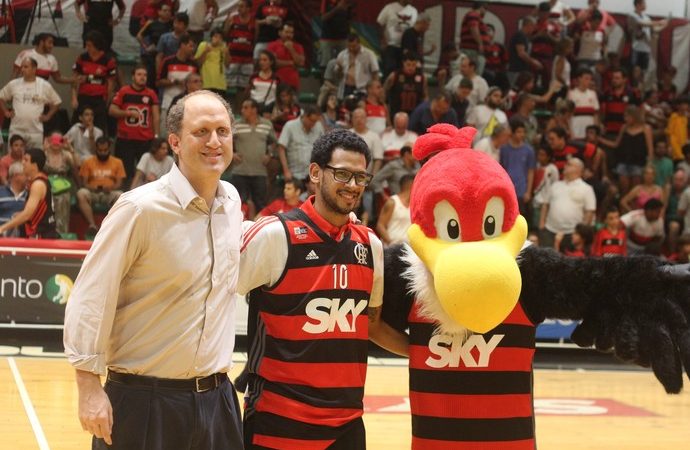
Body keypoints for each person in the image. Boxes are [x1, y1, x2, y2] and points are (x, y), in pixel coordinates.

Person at [63, 91, 243, 449]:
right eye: (201, 131)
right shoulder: (139, 209)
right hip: (143, 402)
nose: (214, 141)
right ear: (174, 142)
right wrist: (88, 387)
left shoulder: (232, 202)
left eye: (222, 131)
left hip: (218, 399)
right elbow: (90, 297)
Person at [239, 128, 408, 449]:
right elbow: (214, 296)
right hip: (280, 419)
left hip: (347, 424)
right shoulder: (275, 234)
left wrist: (427, 354)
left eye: (361, 177)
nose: (353, 186)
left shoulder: (369, 243)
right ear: (315, 173)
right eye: (343, 174)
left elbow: (370, 324)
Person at [109, 65, 161, 178]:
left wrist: (156, 136)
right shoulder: (124, 91)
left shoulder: (151, 93)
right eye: (139, 74)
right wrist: (127, 113)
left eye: (145, 75)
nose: (142, 77)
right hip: (125, 139)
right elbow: (112, 110)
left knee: (144, 172)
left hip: (145, 139)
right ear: (133, 77)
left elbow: (156, 116)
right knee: (125, 172)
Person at [0, 58, 61, 150]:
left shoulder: (44, 85)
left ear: (34, 69)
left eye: (26, 67)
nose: (22, 69)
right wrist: (5, 112)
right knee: (13, 160)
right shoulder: (13, 84)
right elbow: (1, 97)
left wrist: (48, 116)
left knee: (34, 161)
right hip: (16, 130)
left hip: (35, 131)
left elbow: (57, 102)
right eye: (22, 67)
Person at [0, 148, 58, 239]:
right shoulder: (41, 180)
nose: (23, 163)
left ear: (34, 165)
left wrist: (2, 228)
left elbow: (27, 214)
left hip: (40, 235)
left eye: (26, 160)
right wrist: (20, 214)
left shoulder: (37, 184)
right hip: (42, 232)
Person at [231, 98, 277, 213]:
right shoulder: (236, 125)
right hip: (240, 171)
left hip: (259, 171)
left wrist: (269, 155)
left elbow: (274, 142)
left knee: (261, 204)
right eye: (242, 108)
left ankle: (259, 229)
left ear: (254, 110)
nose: (242, 110)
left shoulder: (267, 124)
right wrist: (232, 154)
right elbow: (225, 141)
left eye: (246, 107)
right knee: (240, 205)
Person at [539, 157, 596, 248]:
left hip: (572, 234)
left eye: (569, 165)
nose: (565, 166)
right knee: (547, 260)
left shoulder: (587, 189)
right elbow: (545, 205)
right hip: (549, 230)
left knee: (568, 261)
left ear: (578, 170)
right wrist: (542, 225)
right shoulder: (555, 185)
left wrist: (581, 233)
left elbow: (590, 212)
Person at [76, 137, 126, 233]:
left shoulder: (117, 162)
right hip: (93, 192)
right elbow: (84, 183)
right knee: (81, 193)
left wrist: (111, 188)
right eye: (100, 150)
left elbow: (119, 183)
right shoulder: (88, 162)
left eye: (105, 150)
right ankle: (92, 225)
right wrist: (92, 187)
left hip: (109, 193)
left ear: (109, 149)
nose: (103, 152)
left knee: (120, 195)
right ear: (96, 149)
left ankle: (110, 225)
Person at [71, 31, 117, 135]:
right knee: (77, 128)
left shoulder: (108, 60)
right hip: (83, 97)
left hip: (99, 99)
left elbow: (111, 83)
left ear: (97, 45)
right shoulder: (82, 58)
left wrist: (107, 101)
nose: (87, 48)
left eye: (90, 45)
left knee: (98, 129)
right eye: (86, 45)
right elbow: (74, 78)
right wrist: (74, 97)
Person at [157, 33, 198, 135]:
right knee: (166, 134)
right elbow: (158, 82)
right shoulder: (167, 61)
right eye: (190, 46)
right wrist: (175, 82)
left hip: (188, 107)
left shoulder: (194, 65)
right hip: (167, 103)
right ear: (182, 45)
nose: (192, 49)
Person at [277, 105, 324, 182]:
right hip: (295, 174)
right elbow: (281, 148)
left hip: (312, 174)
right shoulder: (290, 126)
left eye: (316, 121)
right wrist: (286, 170)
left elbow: (323, 148)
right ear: (305, 116)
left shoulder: (318, 126)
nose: (313, 124)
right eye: (312, 120)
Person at [44, 132, 78, 235]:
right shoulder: (44, 154)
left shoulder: (66, 155)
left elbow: (76, 167)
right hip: (46, 186)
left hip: (63, 187)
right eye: (53, 141)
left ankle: (62, 232)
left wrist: (71, 150)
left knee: (63, 198)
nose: (56, 144)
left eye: (59, 141)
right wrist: (44, 148)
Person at [500, 118, 536, 216]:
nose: (522, 135)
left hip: (521, 190)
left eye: (523, 132)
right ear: (512, 132)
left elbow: (530, 171)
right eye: (519, 132)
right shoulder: (504, 149)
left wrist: (528, 192)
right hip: (508, 189)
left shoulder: (529, 150)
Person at [12, 33, 76, 84]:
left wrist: (73, 80)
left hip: (41, 94)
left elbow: (58, 78)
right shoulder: (25, 54)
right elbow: (14, 74)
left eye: (53, 43)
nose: (52, 46)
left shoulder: (52, 59)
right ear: (41, 42)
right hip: (23, 91)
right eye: (50, 43)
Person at [377, 0, 418, 76]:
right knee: (390, 72)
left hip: (406, 48)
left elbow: (415, 30)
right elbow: (380, 23)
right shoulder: (389, 8)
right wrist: (383, 40)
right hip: (390, 46)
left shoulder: (414, 11)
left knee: (403, 74)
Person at [335, 34, 380, 100]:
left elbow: (375, 73)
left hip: (362, 90)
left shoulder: (369, 54)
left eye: (354, 46)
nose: (351, 48)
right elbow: (338, 76)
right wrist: (340, 68)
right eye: (349, 46)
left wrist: (375, 90)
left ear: (359, 43)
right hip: (346, 88)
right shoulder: (342, 55)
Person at [224, 0, 256, 92]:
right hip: (233, 58)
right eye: (238, 6)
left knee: (243, 89)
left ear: (248, 8)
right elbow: (225, 35)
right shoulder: (232, 19)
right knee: (228, 86)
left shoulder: (254, 22)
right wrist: (227, 25)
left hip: (247, 59)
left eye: (241, 6)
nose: (239, 9)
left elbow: (255, 38)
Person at [384, 52, 427, 120]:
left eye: (413, 65)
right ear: (403, 63)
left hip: (414, 115)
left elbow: (425, 96)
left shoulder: (422, 78)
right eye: (408, 65)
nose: (411, 68)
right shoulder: (394, 76)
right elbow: (384, 92)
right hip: (396, 113)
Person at [376, 173, 413, 246]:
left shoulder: (414, 204)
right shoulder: (392, 202)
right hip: (391, 250)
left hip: (408, 251)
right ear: (412, 185)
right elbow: (380, 225)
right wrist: (391, 243)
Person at [267, 22, 305, 91]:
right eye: (286, 32)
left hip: (292, 84)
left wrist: (291, 49)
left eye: (291, 33)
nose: (289, 35)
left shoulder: (298, 47)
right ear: (280, 33)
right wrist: (291, 63)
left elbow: (301, 63)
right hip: (276, 82)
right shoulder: (272, 45)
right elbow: (272, 63)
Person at [194, 27, 231, 96]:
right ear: (211, 37)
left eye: (220, 37)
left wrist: (227, 53)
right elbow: (198, 64)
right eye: (216, 36)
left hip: (220, 84)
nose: (218, 39)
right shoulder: (203, 45)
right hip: (206, 83)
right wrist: (205, 52)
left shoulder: (224, 47)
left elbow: (227, 65)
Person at [319, 0, 355, 68]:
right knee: (325, 63)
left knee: (343, 63)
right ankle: (325, 78)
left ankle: (341, 78)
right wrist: (337, 8)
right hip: (327, 38)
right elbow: (323, 18)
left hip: (343, 38)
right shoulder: (326, 1)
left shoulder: (346, 1)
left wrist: (347, 32)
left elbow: (350, 18)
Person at [567, 68, 600, 140]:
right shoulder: (571, 94)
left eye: (590, 79)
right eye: (586, 78)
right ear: (579, 79)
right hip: (576, 130)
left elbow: (595, 115)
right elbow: (568, 116)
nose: (589, 81)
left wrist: (596, 131)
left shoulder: (593, 94)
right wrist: (570, 132)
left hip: (590, 133)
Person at [459, 1, 490, 76]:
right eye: (486, 9)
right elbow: (474, 28)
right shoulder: (473, 14)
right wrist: (480, 44)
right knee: (473, 75)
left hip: (473, 51)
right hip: (473, 51)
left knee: (473, 74)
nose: (485, 12)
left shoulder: (473, 15)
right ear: (482, 7)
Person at [0, 162, 28, 237]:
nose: (28, 178)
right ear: (16, 176)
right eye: (25, 175)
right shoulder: (1, 192)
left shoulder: (30, 195)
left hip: (23, 238)